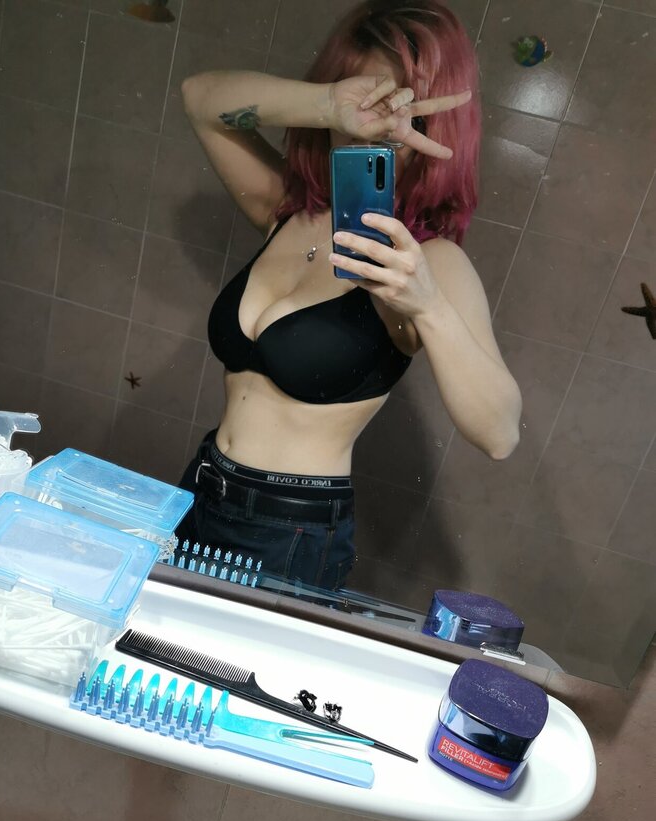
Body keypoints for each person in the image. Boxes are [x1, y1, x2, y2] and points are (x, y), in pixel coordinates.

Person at [176, 0, 522, 592]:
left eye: (401, 108)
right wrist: (327, 104)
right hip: (201, 487)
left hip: (290, 530)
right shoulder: (287, 213)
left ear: (435, 125)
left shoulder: (429, 260)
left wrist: (428, 305)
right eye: (368, 101)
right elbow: (200, 98)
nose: (380, 125)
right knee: (149, 646)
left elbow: (500, 434)